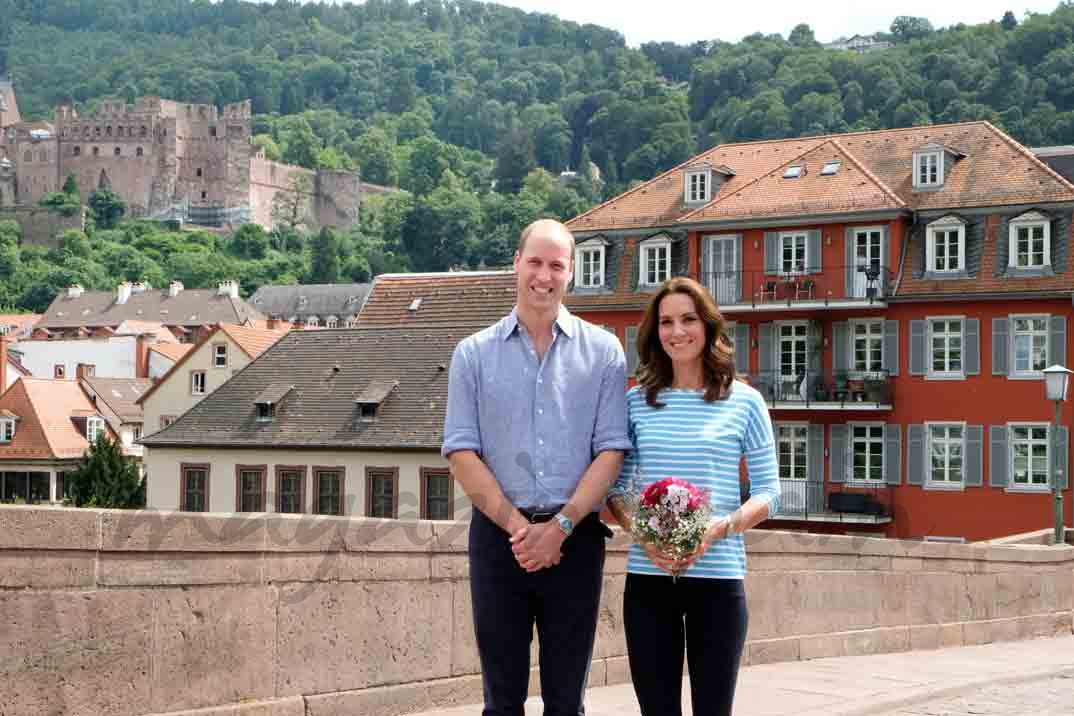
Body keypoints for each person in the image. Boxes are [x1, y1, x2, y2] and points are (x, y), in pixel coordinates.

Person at [441, 218, 632, 716]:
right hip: (498, 541)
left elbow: (611, 451)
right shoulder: (472, 355)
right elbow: (462, 453)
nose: (544, 276)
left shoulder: (605, 353)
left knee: (567, 702)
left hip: (577, 543)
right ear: (516, 265)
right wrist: (522, 529)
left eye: (556, 265)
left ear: (570, 273)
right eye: (535, 262)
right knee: (501, 701)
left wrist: (561, 527)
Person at [606, 276, 780, 716]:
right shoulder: (635, 403)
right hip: (648, 581)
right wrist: (644, 537)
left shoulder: (745, 402)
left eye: (688, 319)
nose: (677, 331)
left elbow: (769, 491)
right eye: (666, 322)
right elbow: (618, 490)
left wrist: (721, 528)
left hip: (719, 580)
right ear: (654, 332)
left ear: (708, 326)